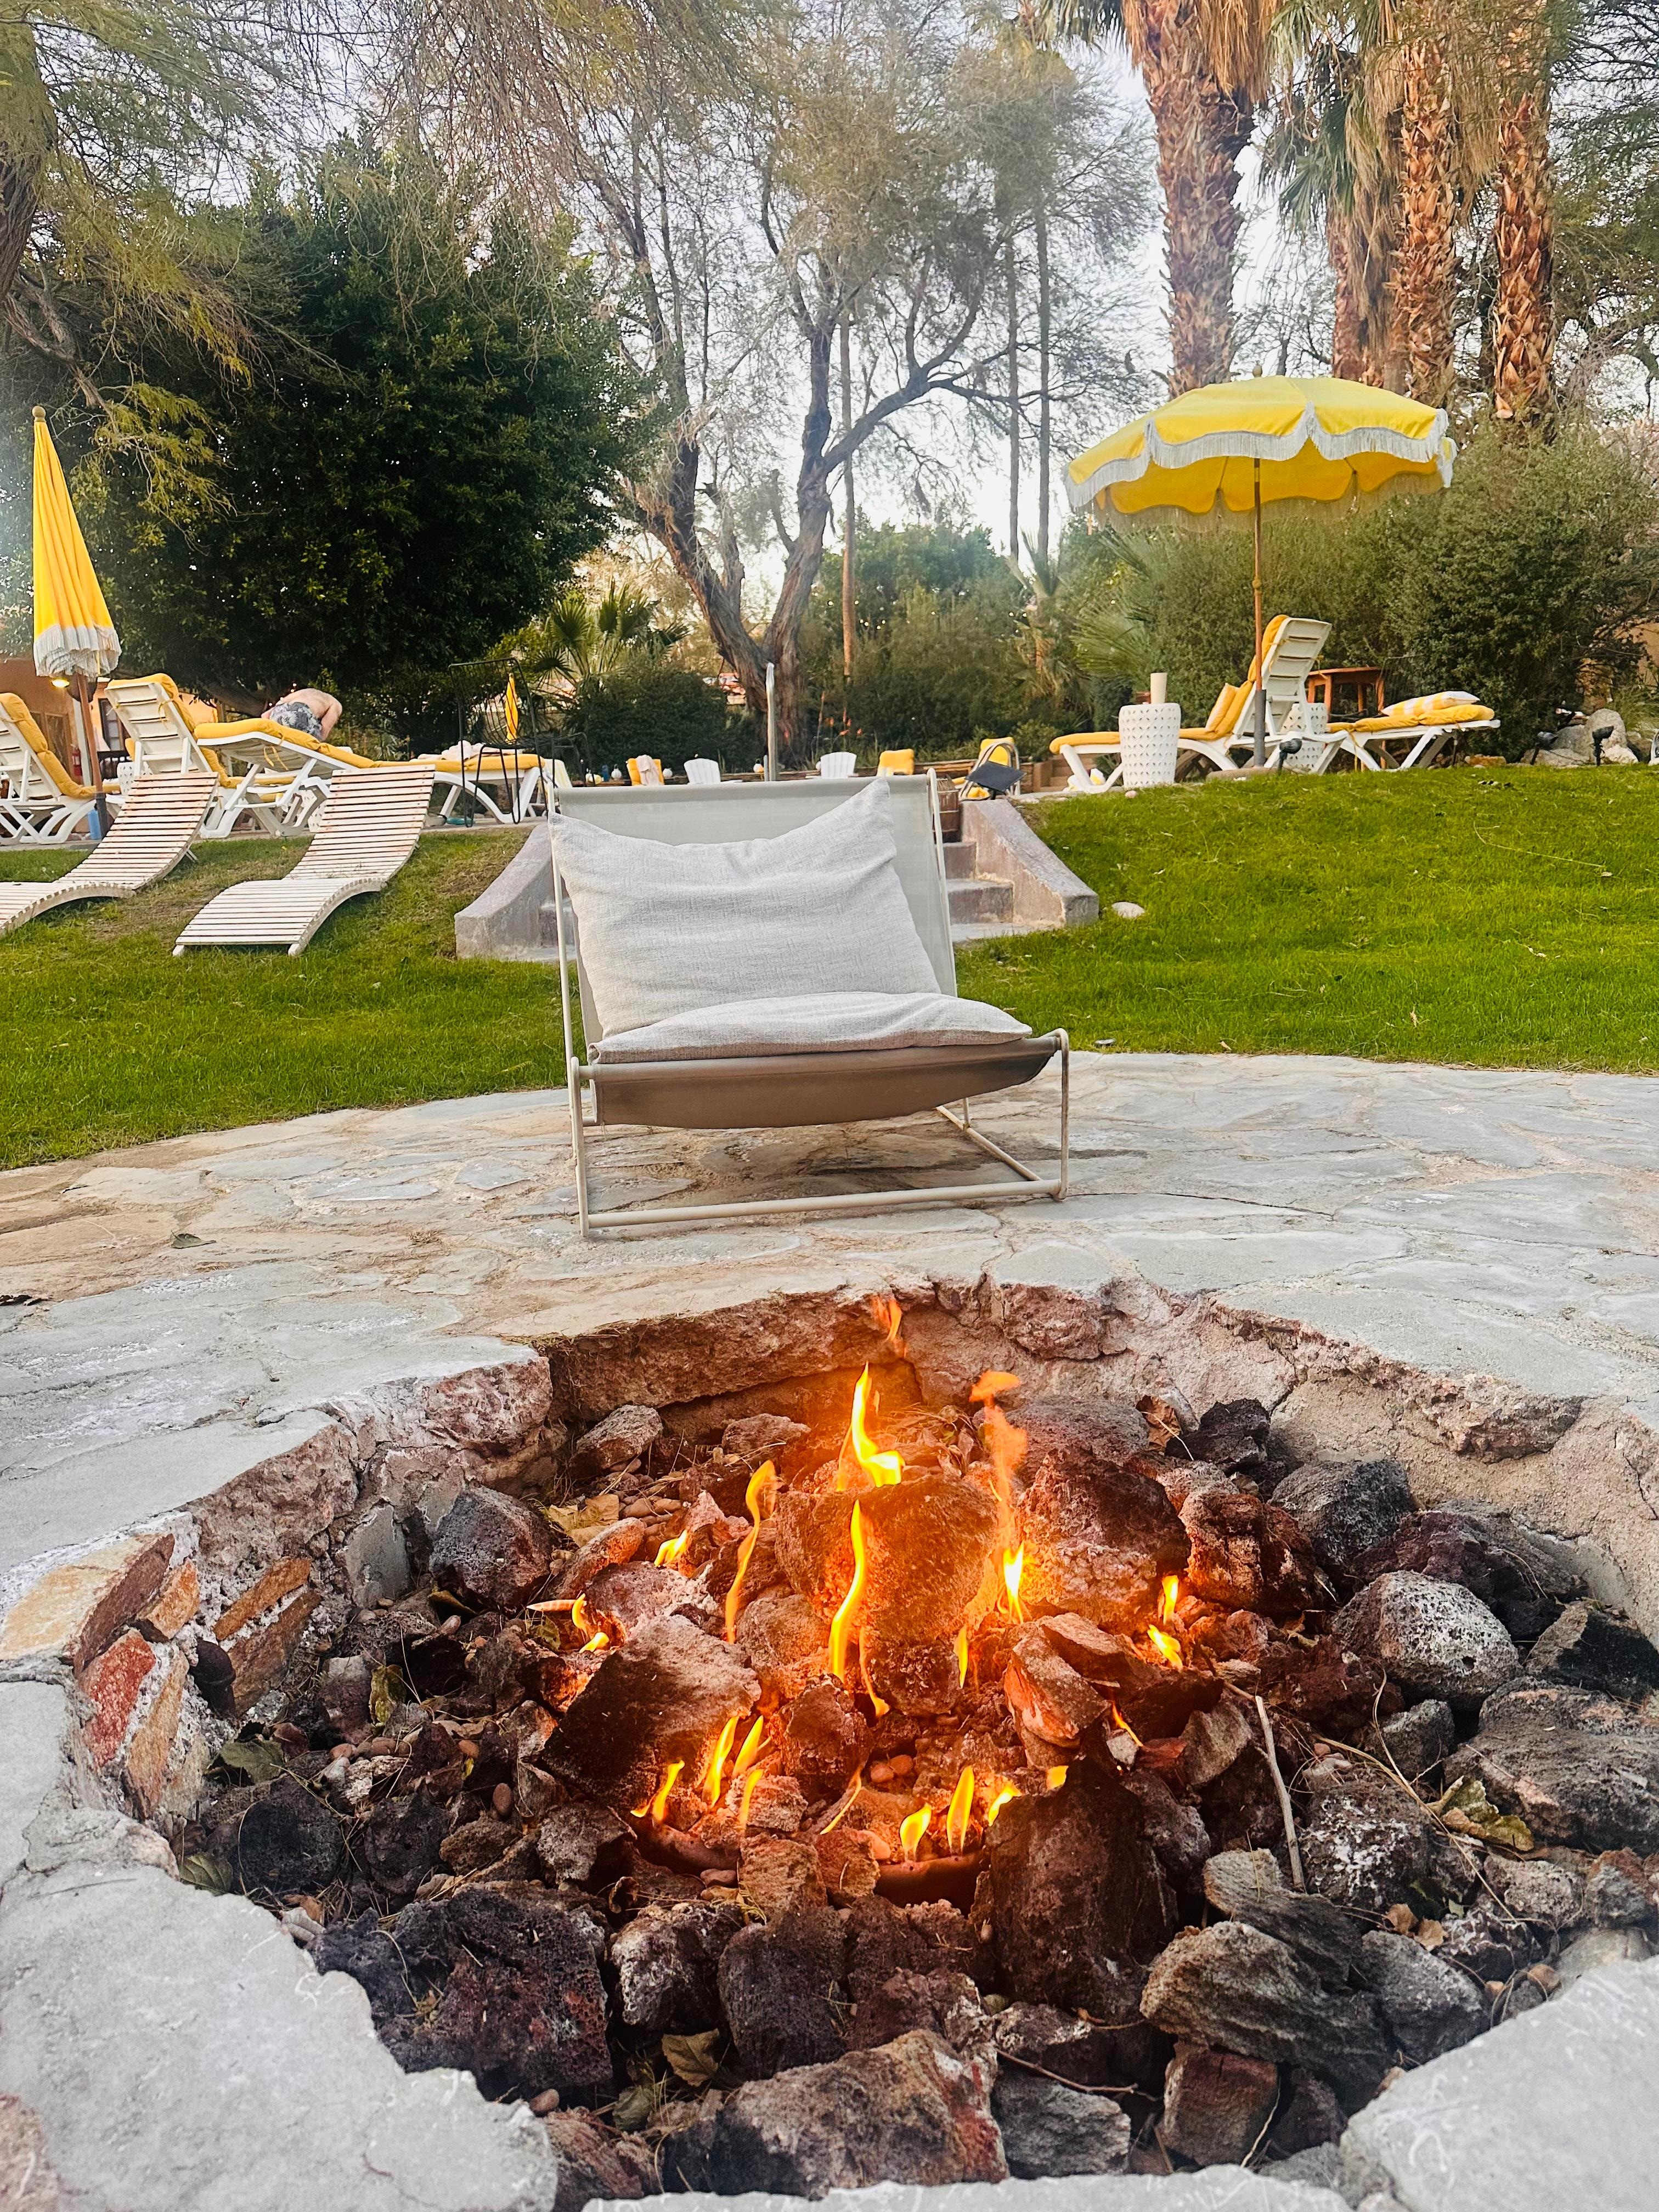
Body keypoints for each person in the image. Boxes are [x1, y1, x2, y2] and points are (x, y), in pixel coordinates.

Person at [267, 686, 343, 743]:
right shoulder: (336, 704)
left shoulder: (306, 692)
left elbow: (266, 715)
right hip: (300, 713)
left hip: (278, 711)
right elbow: (325, 730)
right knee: (317, 738)